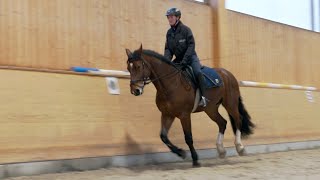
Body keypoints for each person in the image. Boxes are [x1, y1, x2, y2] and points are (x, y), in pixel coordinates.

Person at [164, 7, 207, 107]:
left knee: (197, 72)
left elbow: (191, 45)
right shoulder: (169, 33)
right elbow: (168, 49)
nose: (169, 19)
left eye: (171, 17)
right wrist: (166, 62)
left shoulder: (186, 30)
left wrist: (185, 60)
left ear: (178, 17)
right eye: (168, 17)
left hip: (190, 57)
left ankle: (203, 98)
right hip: (179, 59)